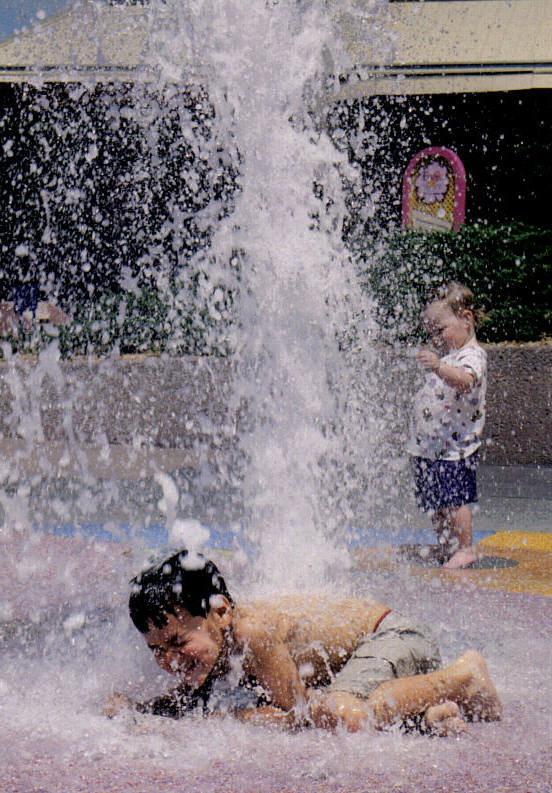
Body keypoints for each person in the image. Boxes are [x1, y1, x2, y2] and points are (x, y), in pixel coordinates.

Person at [105, 549, 502, 735]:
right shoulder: (217, 641)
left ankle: (463, 678)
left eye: (176, 642)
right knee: (334, 704)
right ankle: (427, 713)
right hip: (365, 661)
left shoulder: (251, 635)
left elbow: (295, 715)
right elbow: (192, 700)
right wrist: (140, 710)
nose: (170, 660)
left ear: (221, 612)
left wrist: (228, 719)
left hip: (396, 637)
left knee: (340, 713)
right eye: (156, 649)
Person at [406, 282, 487, 569]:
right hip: (432, 446)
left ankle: (464, 548)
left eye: (440, 330)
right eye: (431, 333)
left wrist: (439, 367)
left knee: (455, 500)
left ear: (466, 319)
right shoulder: (450, 355)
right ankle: (446, 545)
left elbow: (465, 381)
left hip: (455, 447)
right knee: (436, 503)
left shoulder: (472, 355)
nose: (436, 338)